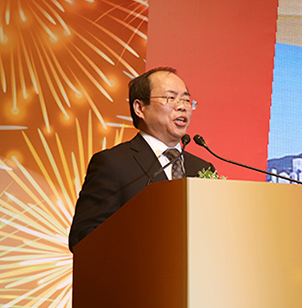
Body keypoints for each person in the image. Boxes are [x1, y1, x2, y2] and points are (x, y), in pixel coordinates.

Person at [69, 67, 215, 251]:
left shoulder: (202, 168)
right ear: (139, 108)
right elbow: (84, 237)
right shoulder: (113, 163)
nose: (182, 106)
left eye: (186, 100)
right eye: (170, 98)